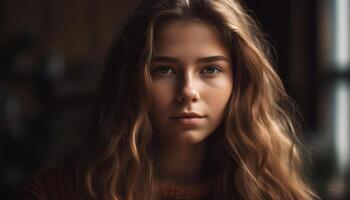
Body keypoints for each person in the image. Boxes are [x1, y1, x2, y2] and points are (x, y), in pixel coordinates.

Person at [22, 0, 318, 199]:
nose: (188, 90)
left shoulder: (272, 194)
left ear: (239, 81)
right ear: (131, 79)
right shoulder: (58, 191)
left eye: (210, 69)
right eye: (163, 69)